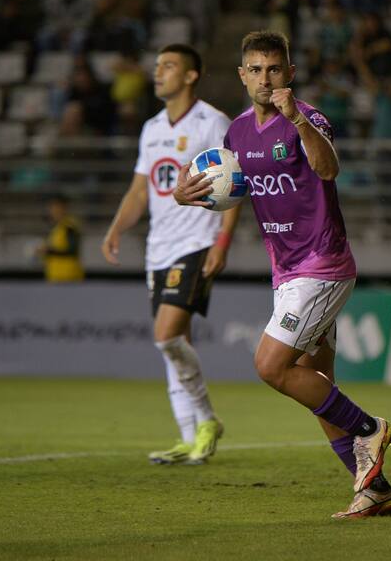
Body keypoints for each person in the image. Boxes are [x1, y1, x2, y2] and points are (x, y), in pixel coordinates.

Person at [174, 31, 391, 519]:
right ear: (241, 75)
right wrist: (186, 196)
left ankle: (368, 430)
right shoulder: (236, 135)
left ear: (289, 74)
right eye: (255, 69)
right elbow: (230, 190)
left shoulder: (309, 118)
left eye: (274, 69)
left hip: (323, 265)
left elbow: (328, 169)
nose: (264, 78)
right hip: (287, 271)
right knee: (318, 383)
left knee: (270, 366)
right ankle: (373, 488)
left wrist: (296, 118)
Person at [101, 44, 240, 465]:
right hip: (158, 248)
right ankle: (189, 436)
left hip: (196, 242)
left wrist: (221, 243)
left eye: (169, 65)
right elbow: (141, 188)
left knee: (165, 337)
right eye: (158, 65)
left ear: (192, 75)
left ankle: (208, 421)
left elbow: (235, 186)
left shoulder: (213, 122)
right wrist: (116, 227)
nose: (158, 72)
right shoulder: (152, 128)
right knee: (176, 343)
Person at [37, 194, 84, 282]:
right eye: (52, 207)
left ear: (64, 208)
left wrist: (49, 251)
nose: (53, 210)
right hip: (56, 277)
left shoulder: (70, 227)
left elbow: (72, 250)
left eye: (57, 207)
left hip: (69, 277)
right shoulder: (57, 227)